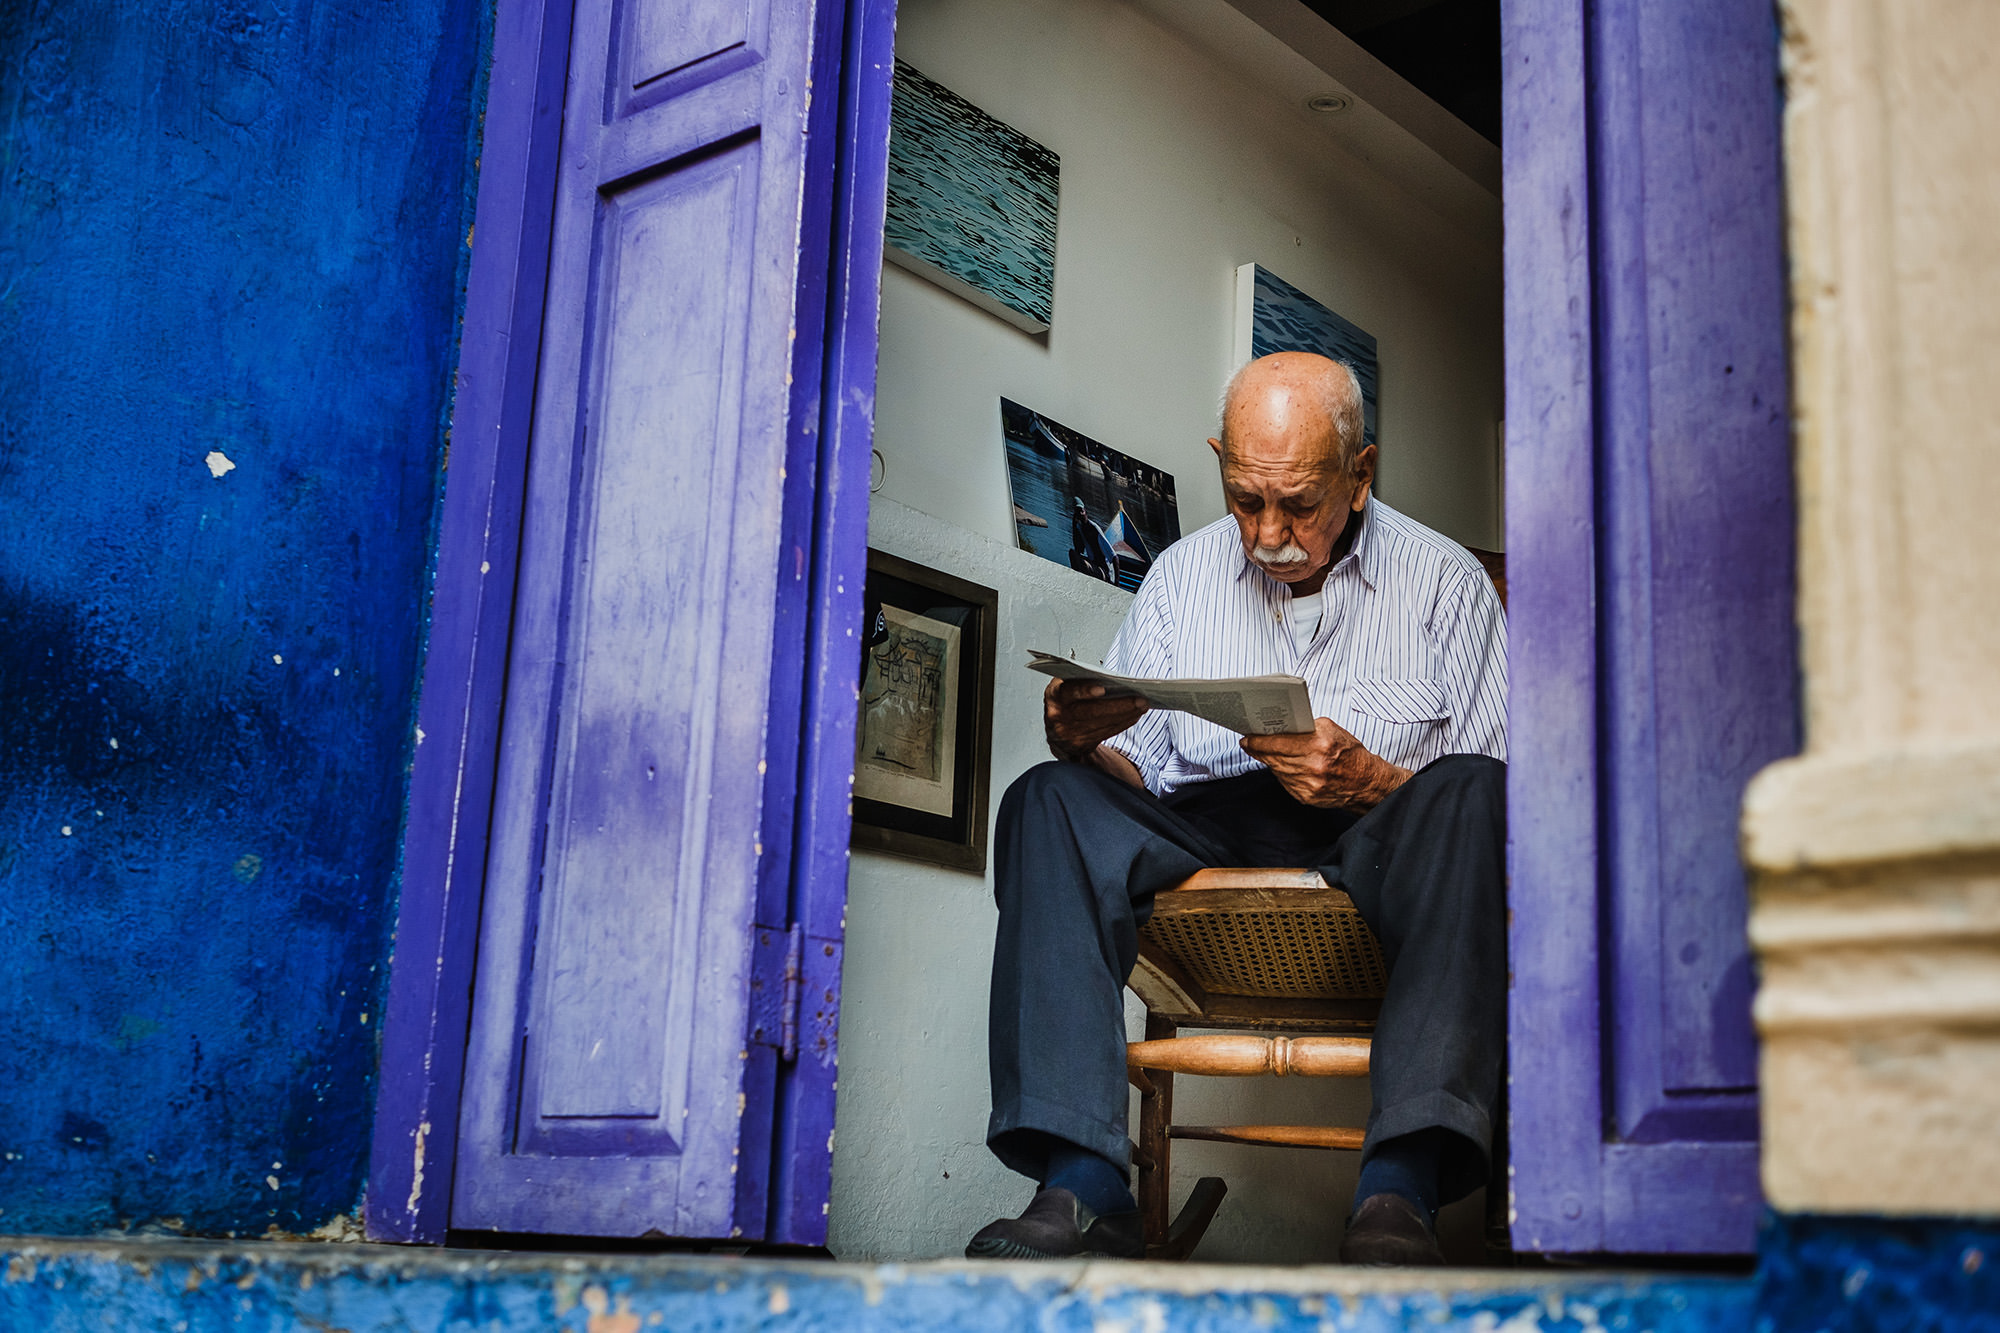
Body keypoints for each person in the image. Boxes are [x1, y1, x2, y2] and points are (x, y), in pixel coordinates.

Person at [966, 352, 1507, 1266]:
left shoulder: (1446, 583)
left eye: (1299, 504)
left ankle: (1399, 1186)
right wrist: (1081, 737)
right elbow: (1134, 772)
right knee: (1047, 799)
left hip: (1384, 842)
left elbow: (1511, 814)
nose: (1267, 532)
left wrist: (1373, 781)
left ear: (1361, 473)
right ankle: (1084, 1179)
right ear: (1221, 458)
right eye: (1246, 497)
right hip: (1207, 827)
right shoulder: (1179, 576)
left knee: (1478, 790)